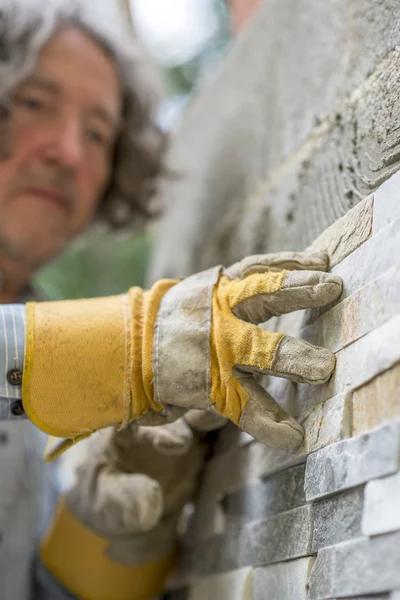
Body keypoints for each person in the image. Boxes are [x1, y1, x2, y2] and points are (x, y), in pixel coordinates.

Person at [0, 1, 343, 598]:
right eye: (34, 103)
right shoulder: (39, 379)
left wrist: (113, 536)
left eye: (98, 134)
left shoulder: (39, 423)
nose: (70, 153)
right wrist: (130, 343)